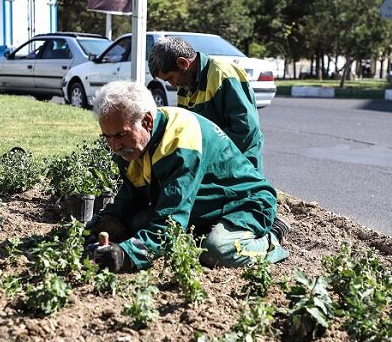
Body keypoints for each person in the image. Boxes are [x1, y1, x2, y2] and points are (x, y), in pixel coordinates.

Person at [87, 81, 288, 273]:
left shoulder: (181, 145)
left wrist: (126, 255)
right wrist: (100, 223)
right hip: (202, 206)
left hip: (245, 203)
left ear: (147, 122)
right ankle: (205, 232)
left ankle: (272, 237)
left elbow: (169, 223)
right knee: (135, 224)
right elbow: (131, 197)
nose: (114, 147)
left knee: (217, 250)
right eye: (108, 137)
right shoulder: (134, 144)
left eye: (120, 135)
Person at [148, 37, 264, 173]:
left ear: (182, 63)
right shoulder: (185, 84)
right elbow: (186, 129)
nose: (172, 84)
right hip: (213, 166)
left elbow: (245, 129)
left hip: (240, 166)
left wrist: (208, 160)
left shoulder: (222, 73)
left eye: (170, 78)